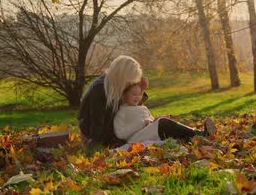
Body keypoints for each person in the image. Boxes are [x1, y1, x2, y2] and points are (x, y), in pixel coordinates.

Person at [78, 55, 215, 148]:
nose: (130, 85)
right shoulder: (100, 91)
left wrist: (141, 92)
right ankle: (201, 135)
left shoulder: (113, 84)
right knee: (162, 126)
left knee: (164, 126)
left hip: (124, 134)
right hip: (115, 139)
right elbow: (98, 129)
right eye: (130, 81)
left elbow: (131, 108)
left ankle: (198, 136)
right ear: (122, 77)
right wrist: (142, 127)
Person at [113, 83, 215, 144]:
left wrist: (155, 119)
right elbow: (120, 133)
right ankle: (201, 134)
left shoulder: (143, 108)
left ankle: (197, 136)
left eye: (139, 94)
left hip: (151, 132)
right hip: (137, 138)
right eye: (133, 94)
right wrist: (142, 123)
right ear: (124, 95)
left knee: (166, 125)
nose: (137, 97)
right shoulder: (122, 111)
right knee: (163, 124)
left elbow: (150, 121)